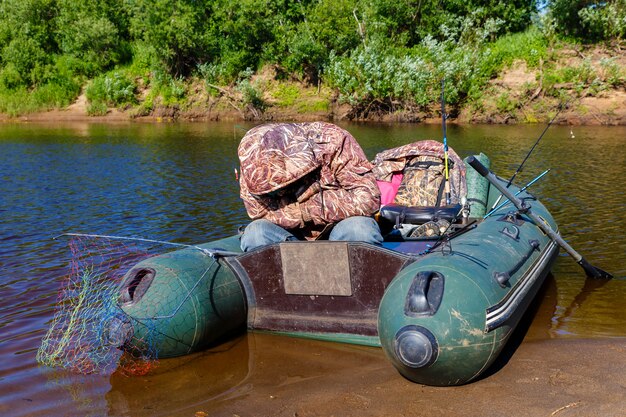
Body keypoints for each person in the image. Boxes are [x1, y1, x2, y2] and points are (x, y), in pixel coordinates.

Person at [238, 122, 383, 252]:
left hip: (339, 228)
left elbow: (368, 199)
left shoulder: (334, 140)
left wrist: (305, 212)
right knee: (256, 234)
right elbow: (258, 213)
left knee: (359, 230)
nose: (279, 193)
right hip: (289, 235)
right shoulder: (251, 161)